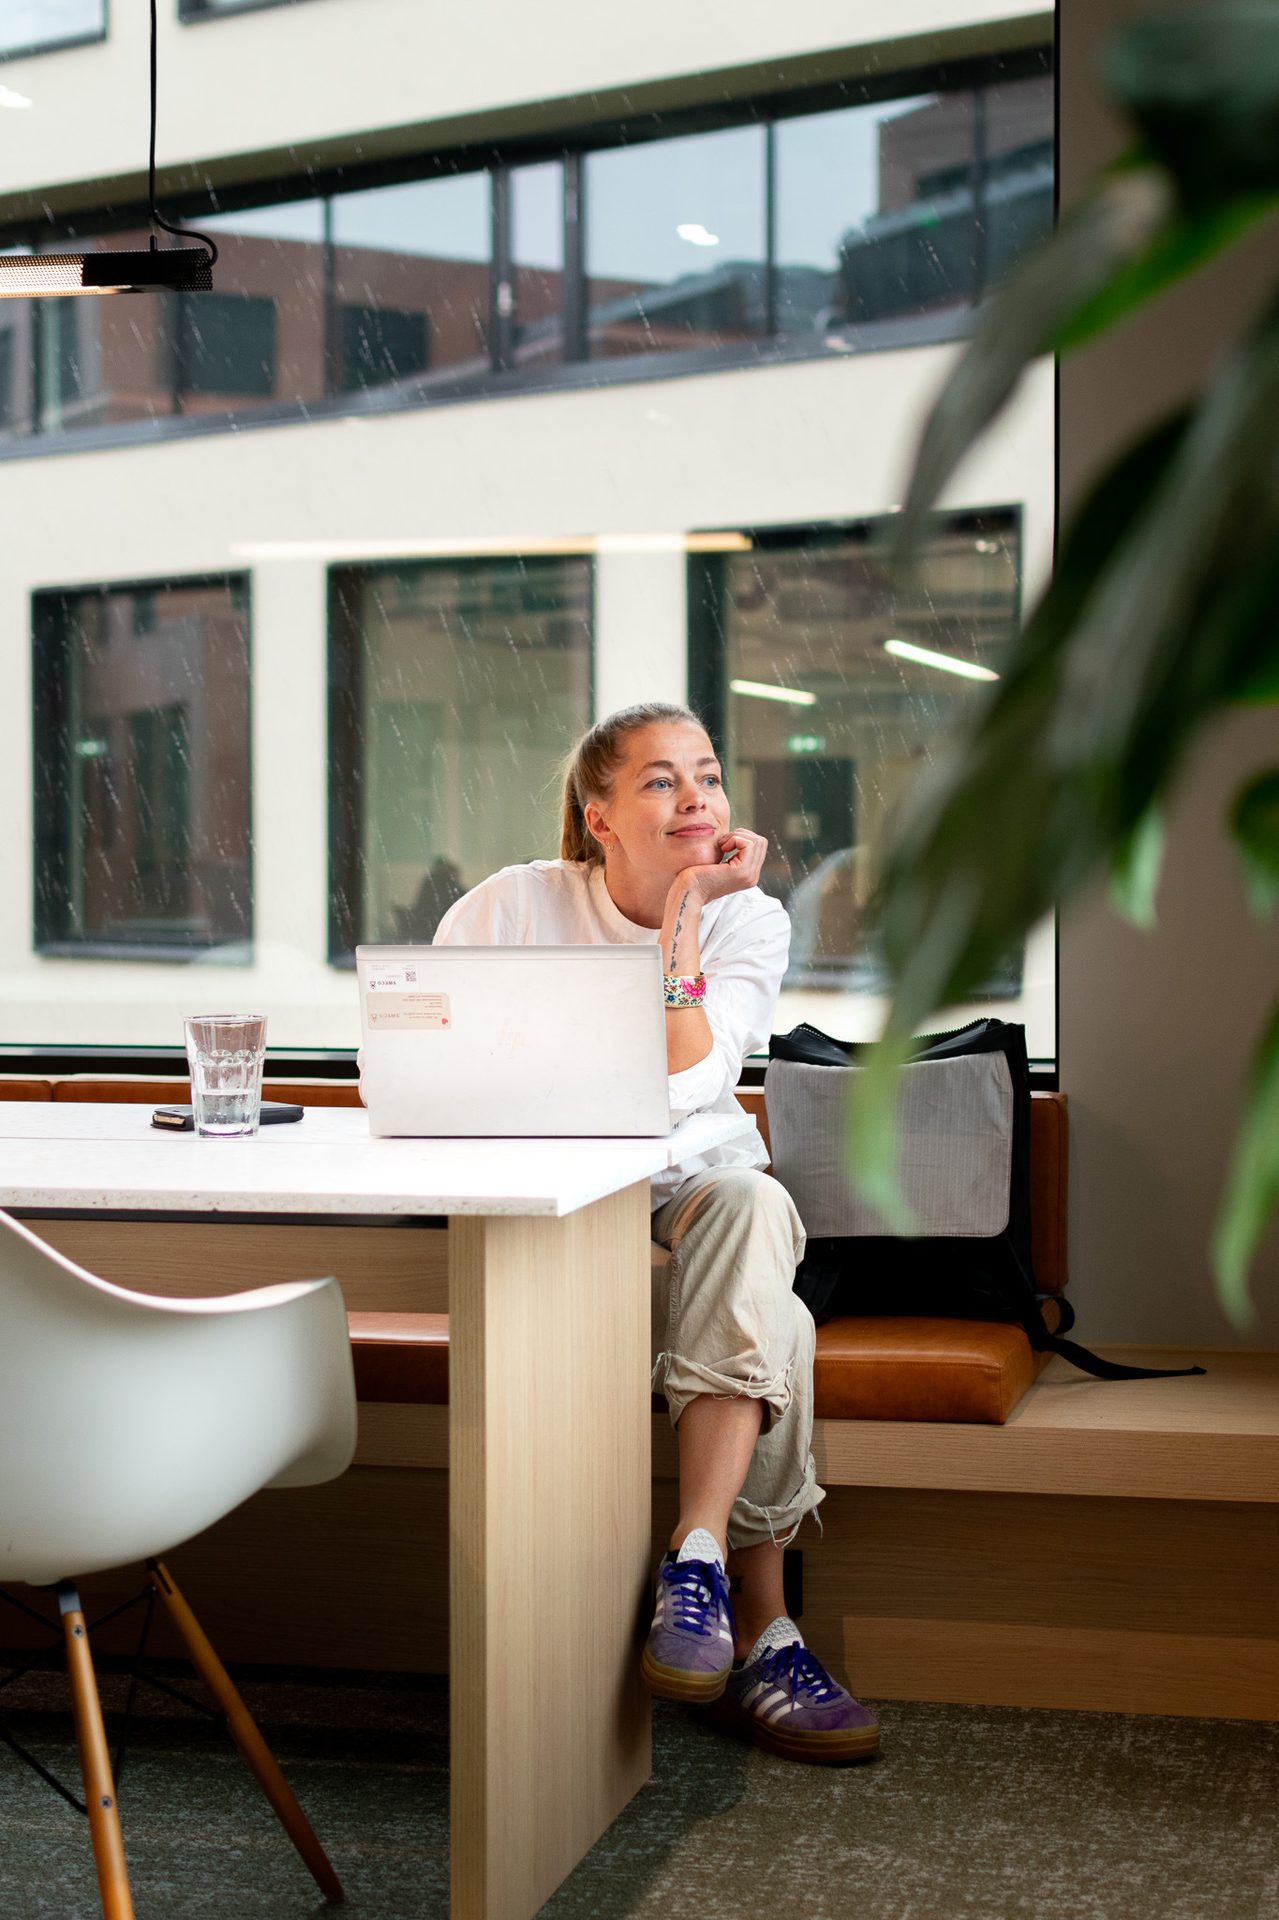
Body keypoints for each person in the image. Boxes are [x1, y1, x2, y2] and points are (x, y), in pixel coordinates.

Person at [433, 701, 879, 1764]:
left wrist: (684, 910)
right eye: (661, 781)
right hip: (553, 1212)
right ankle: (760, 1625)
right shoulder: (511, 906)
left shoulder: (747, 919)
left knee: (753, 1205)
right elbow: (410, 1060)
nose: (696, 799)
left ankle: (691, 1561)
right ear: (598, 816)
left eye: (708, 777)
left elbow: (690, 1083)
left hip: (690, 1203)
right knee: (779, 1322)